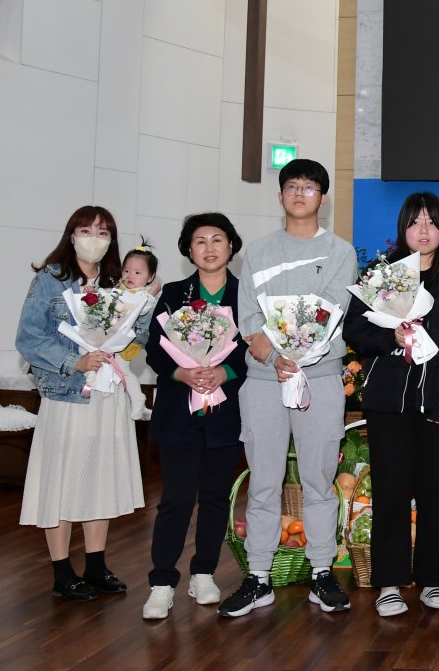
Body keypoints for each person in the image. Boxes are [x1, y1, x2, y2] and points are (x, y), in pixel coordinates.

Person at [218, 159, 358, 618]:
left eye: (309, 187)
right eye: (292, 186)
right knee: (263, 482)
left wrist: (300, 356)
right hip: (264, 379)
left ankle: (322, 573)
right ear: (280, 196)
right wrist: (277, 359)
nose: (300, 193)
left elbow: (332, 310)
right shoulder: (257, 252)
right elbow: (249, 318)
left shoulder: (341, 252)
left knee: (318, 480)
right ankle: (258, 576)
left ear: (323, 198)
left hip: (321, 378)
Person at [345, 192, 439, 617]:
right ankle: (389, 582)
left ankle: (434, 579)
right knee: (391, 492)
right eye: (415, 221)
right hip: (389, 404)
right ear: (403, 228)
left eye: (432, 222)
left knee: (437, 493)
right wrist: (391, 337)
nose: (424, 230)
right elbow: (353, 330)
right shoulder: (380, 275)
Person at [17, 206, 145, 601]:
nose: (95, 238)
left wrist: (144, 303)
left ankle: (95, 564)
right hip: (67, 394)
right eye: (87, 230)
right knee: (61, 480)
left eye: (103, 232)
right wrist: (74, 361)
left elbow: (136, 333)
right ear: (71, 235)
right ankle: (61, 571)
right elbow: (28, 338)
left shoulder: (117, 282)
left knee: (99, 477)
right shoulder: (50, 280)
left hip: (108, 395)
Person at [141, 214, 248, 620]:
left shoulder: (246, 295)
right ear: (189, 250)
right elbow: (154, 349)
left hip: (226, 411)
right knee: (177, 498)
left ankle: (203, 572)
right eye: (200, 241)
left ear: (231, 246)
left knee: (216, 497)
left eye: (217, 239)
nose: (209, 248)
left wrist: (226, 372)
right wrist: (180, 372)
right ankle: (162, 582)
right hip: (178, 412)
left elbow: (254, 346)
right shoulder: (173, 294)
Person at [118, 242, 159, 421]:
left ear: (150, 277)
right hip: (108, 341)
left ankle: (138, 400)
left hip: (124, 345)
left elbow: (142, 309)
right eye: (126, 271)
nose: (130, 276)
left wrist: (151, 293)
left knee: (124, 371)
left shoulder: (143, 295)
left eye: (137, 272)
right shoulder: (117, 289)